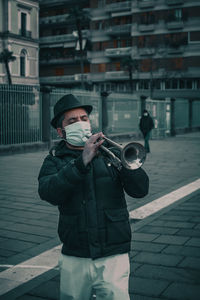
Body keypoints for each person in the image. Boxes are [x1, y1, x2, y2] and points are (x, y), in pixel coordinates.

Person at [38, 94, 149, 300]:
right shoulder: (54, 160)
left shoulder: (109, 155)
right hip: (75, 254)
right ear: (61, 131)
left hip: (114, 252)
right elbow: (48, 192)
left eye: (83, 118)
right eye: (72, 121)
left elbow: (141, 190)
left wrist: (125, 165)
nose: (80, 123)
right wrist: (81, 162)